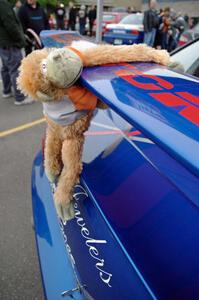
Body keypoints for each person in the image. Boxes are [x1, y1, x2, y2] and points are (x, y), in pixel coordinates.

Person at [0, 0, 33, 105]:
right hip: (10, 42)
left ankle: (6, 91)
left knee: (6, 67)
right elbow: (10, 24)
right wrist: (20, 40)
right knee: (16, 69)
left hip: (3, 42)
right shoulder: (3, 4)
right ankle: (20, 97)